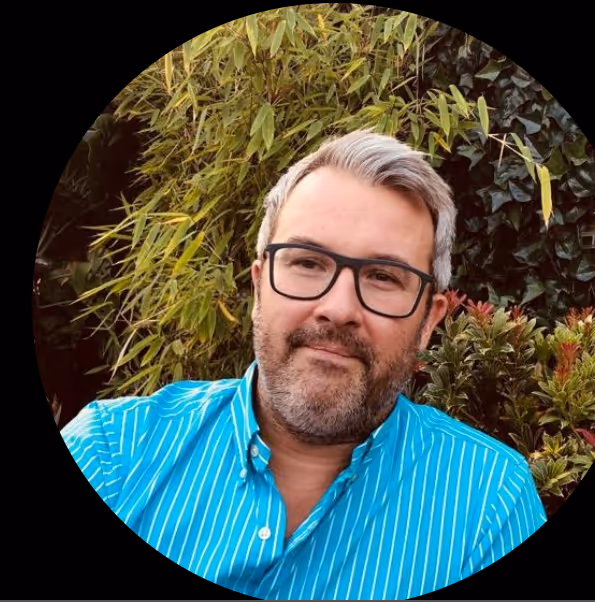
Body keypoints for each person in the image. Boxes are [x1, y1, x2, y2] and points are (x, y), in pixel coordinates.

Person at [61, 130, 547, 599]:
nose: (338, 308)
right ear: (259, 286)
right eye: (308, 263)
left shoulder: (489, 503)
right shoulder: (111, 454)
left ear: (428, 321)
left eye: (383, 276)